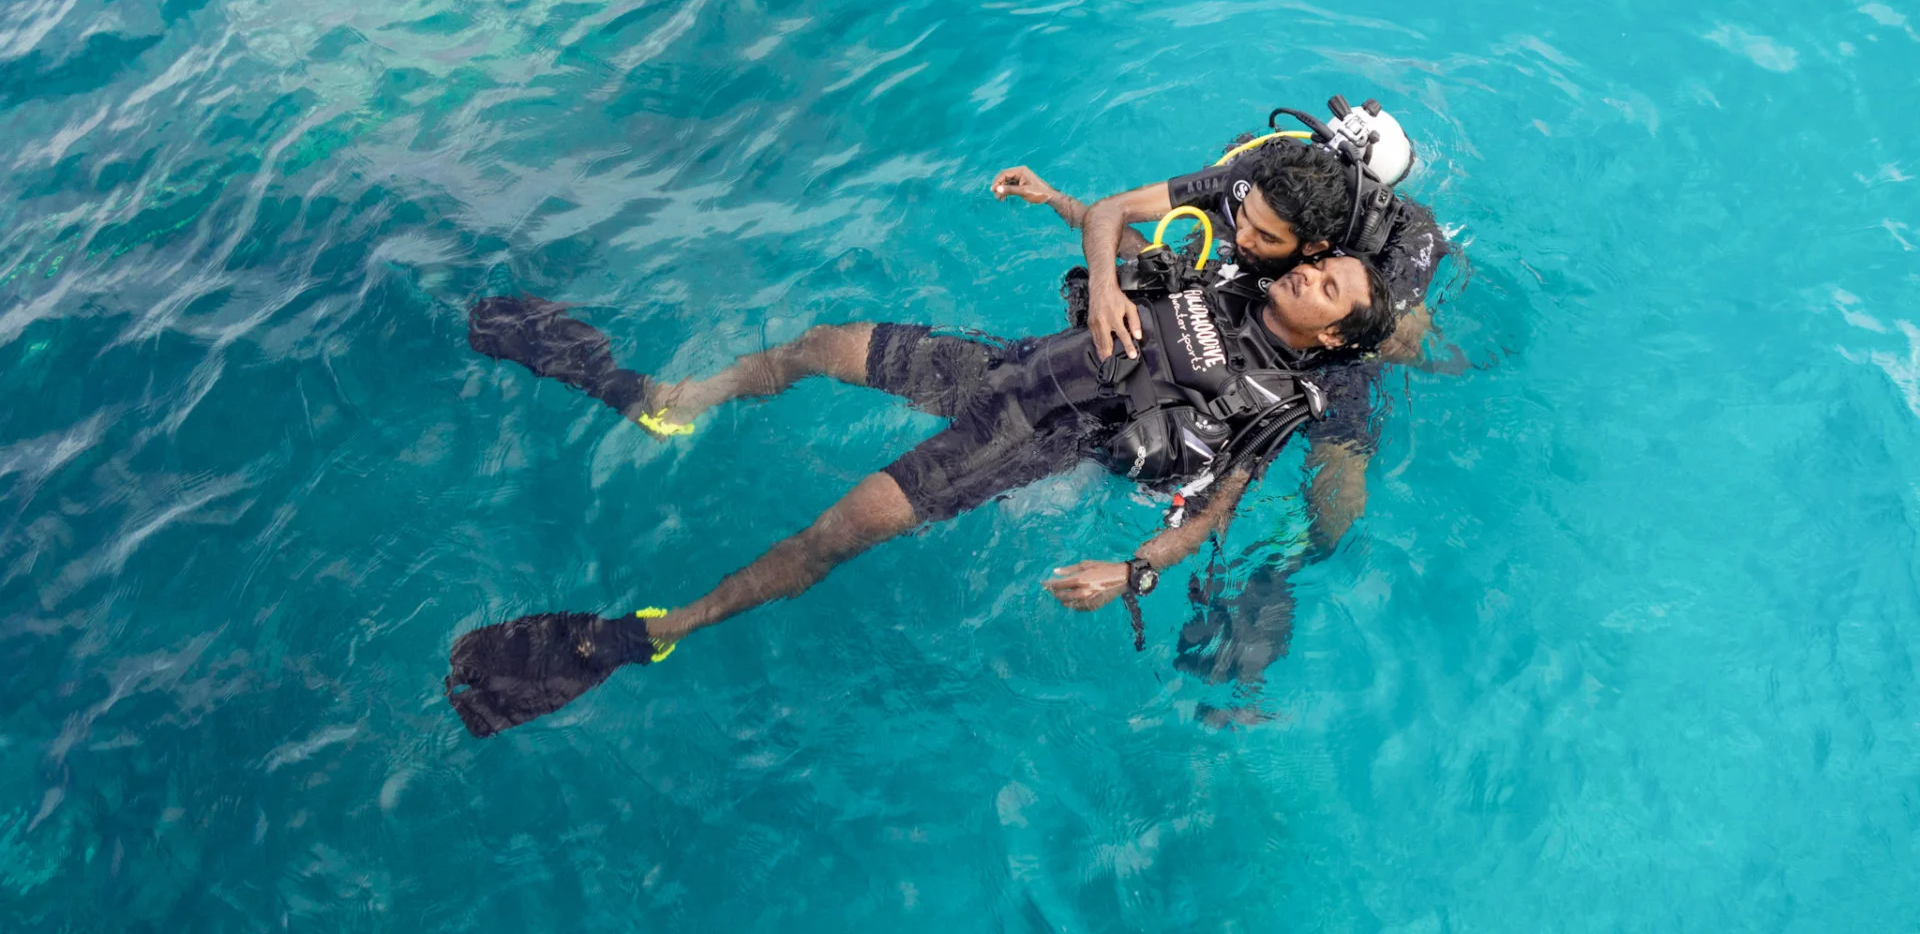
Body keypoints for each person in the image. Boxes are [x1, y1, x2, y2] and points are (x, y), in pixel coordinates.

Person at [445, 224, 1395, 737]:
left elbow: (1210, 513)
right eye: (1321, 262)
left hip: (1019, 438)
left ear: (1334, 336)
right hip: (1003, 366)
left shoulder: (1273, 409)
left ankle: (649, 634)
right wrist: (1094, 255)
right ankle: (673, 400)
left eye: (1332, 284)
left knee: (829, 533)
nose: (1312, 271)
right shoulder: (1234, 271)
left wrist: (1133, 572)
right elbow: (1115, 219)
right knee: (822, 343)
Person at [990, 98, 1453, 694]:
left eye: (1266, 232)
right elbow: (1133, 236)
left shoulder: (1395, 250)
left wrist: (1339, 334)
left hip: (1337, 345)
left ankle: (1283, 566)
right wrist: (1059, 201)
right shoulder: (1267, 181)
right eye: (1249, 222)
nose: (1243, 232)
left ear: (1325, 237)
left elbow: (1387, 335)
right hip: (1272, 307)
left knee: (1334, 505)